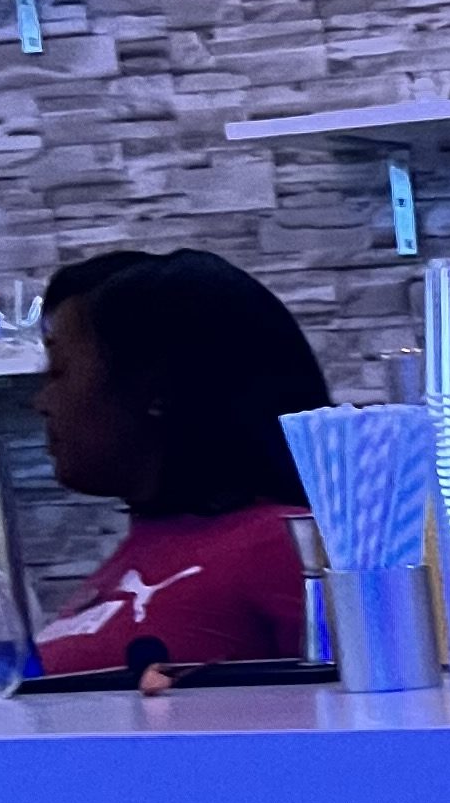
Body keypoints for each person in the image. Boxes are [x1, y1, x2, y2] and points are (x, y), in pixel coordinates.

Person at [33, 246, 332, 674]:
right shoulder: (147, 544)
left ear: (155, 389)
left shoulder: (279, 544)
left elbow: (377, 719)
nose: (41, 401)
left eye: (59, 371)